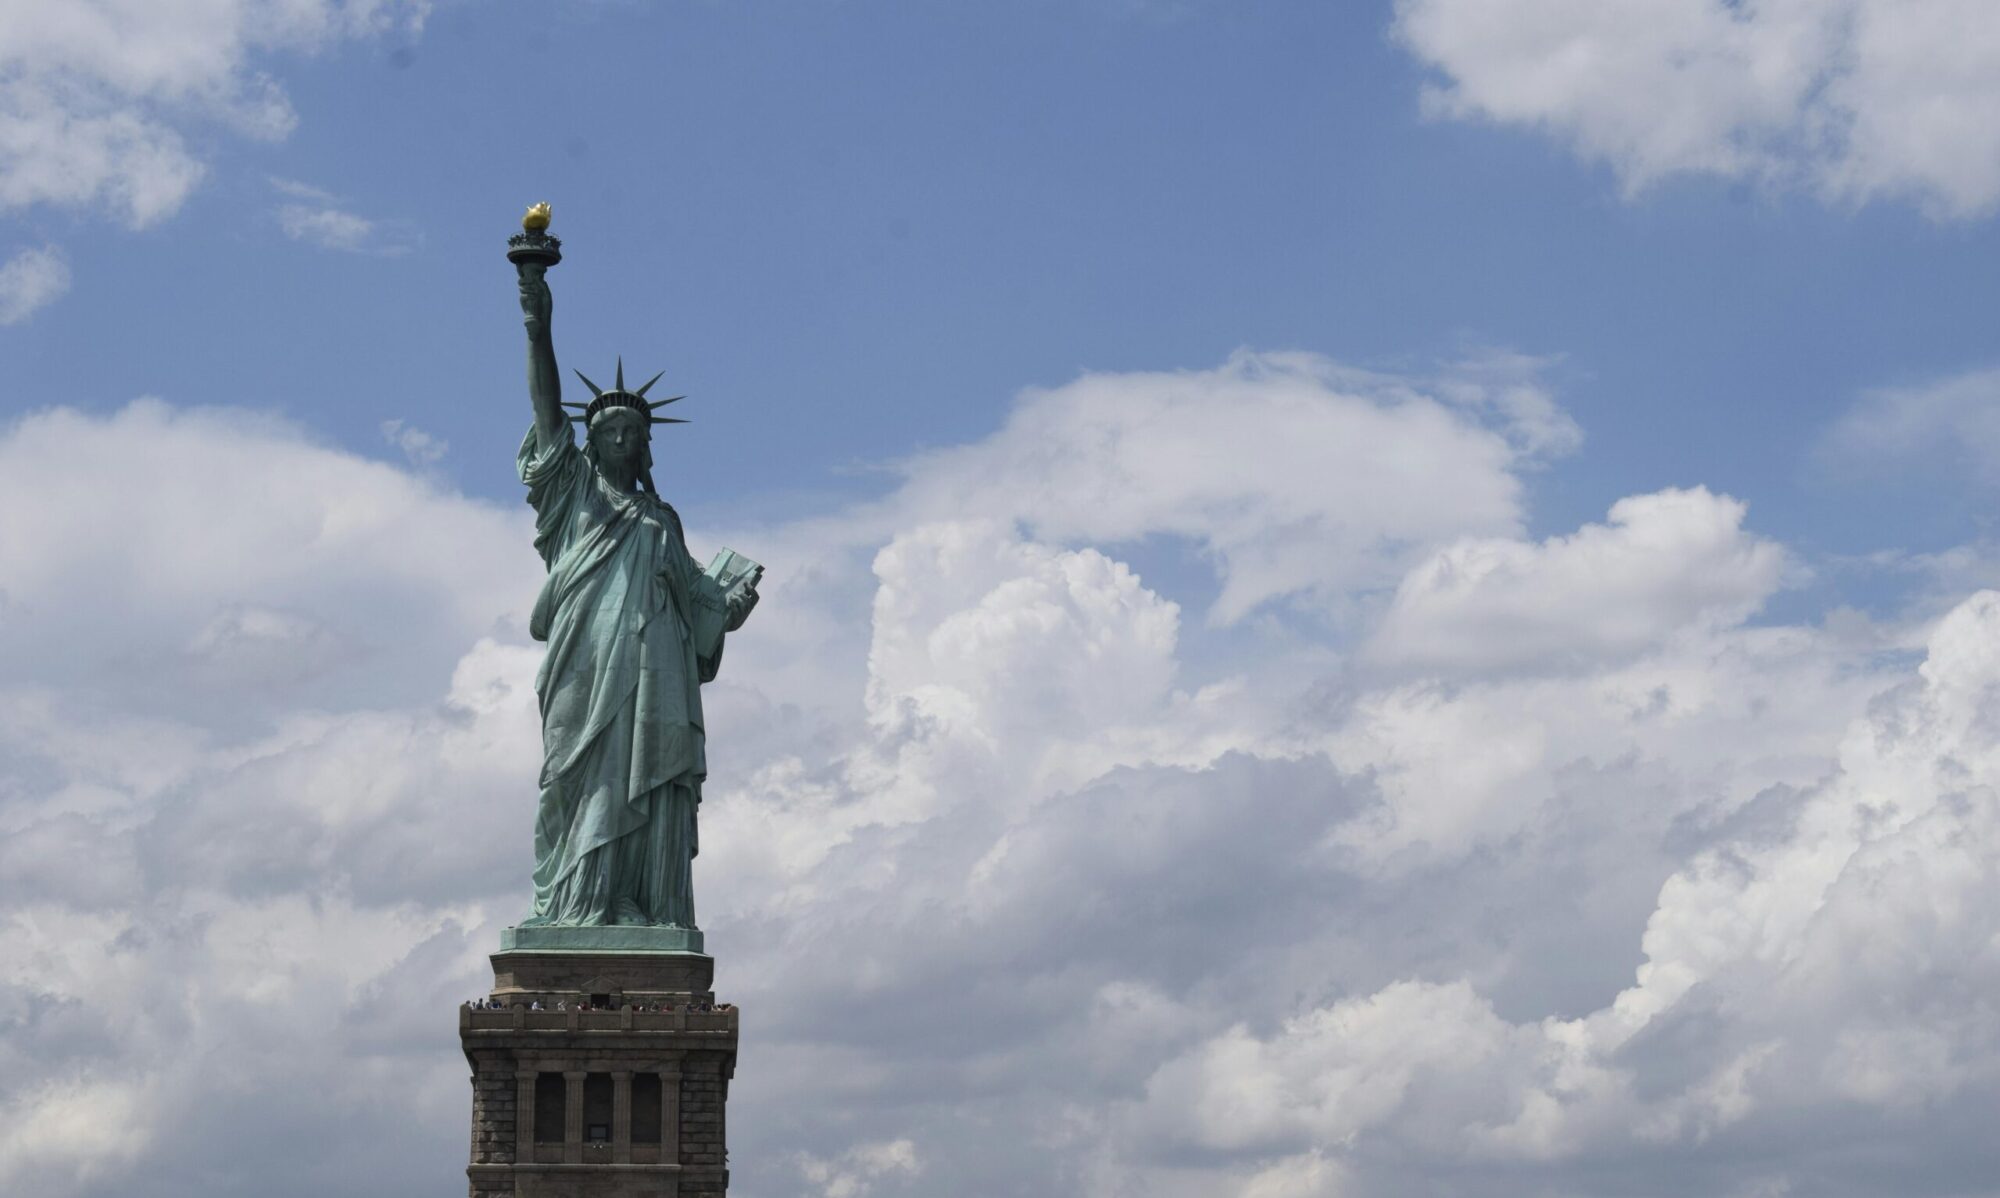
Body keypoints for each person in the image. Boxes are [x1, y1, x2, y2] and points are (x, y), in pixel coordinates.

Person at [512, 262, 759, 929]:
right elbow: (545, 408)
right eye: (610, 431)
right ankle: (575, 902)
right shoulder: (574, 498)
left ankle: (632, 901)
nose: (622, 438)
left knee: (638, 777)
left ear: (646, 447)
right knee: (580, 774)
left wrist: (732, 605)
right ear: (589, 443)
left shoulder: (662, 521)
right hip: (586, 658)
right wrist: (539, 324)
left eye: (633, 433)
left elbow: (700, 605)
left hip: (655, 672)